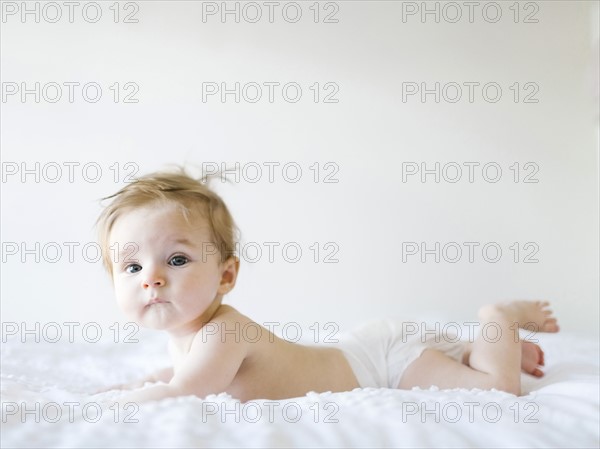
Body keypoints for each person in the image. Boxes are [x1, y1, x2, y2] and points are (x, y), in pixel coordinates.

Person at [96, 167, 559, 403]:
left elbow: (183, 394)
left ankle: (500, 322)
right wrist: (133, 382)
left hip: (385, 363)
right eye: (131, 267)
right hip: (361, 346)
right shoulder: (188, 338)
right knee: (463, 363)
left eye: (177, 259)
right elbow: (176, 377)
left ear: (227, 275)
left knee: (497, 390)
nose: (151, 278)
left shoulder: (223, 332)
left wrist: (116, 406)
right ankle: (479, 346)